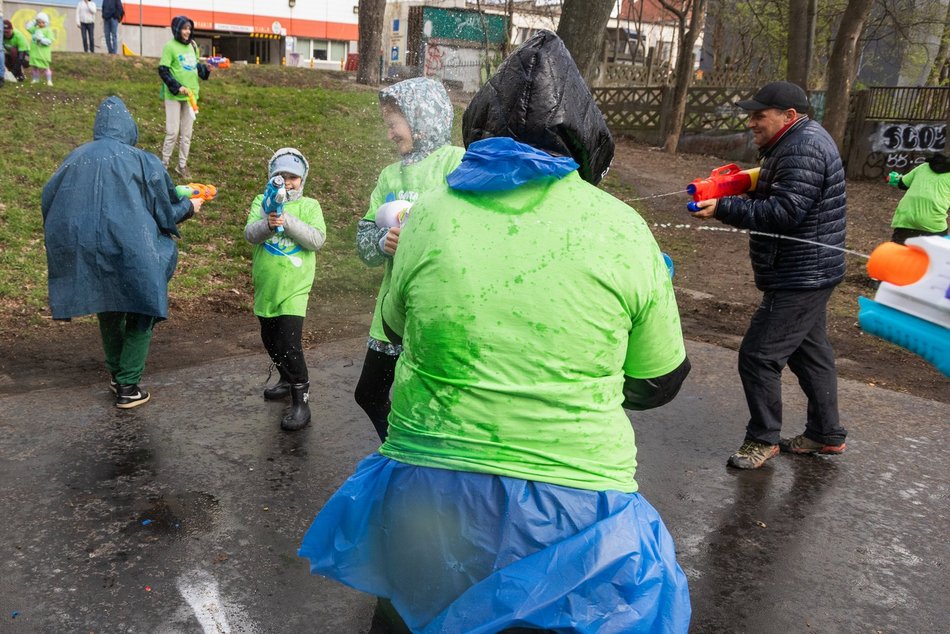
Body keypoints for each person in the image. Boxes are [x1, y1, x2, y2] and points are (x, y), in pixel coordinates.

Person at [300, 31, 692, 633]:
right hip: (577, 512)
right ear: (587, 136)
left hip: (430, 498)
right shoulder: (625, 229)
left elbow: (386, 353)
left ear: (479, 129)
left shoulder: (427, 216)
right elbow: (659, 382)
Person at [690, 80, 848, 469]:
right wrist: (736, 183)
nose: (751, 122)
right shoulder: (793, 143)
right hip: (810, 270)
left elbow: (785, 213)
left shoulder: (803, 147)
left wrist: (723, 208)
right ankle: (825, 435)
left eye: (759, 115)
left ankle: (762, 439)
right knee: (810, 355)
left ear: (788, 116)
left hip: (801, 274)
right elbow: (781, 189)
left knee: (759, 355)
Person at [41, 96, 201, 408]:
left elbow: (49, 198)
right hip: (134, 249)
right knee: (143, 308)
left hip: (88, 250)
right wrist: (191, 206)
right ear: (129, 126)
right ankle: (129, 385)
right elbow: (165, 211)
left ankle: (117, 377)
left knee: (109, 305)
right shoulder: (142, 160)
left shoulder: (75, 158)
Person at [354, 77, 464, 441]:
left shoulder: (456, 162)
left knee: (431, 398)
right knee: (369, 393)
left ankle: (426, 461)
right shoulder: (389, 175)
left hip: (438, 309)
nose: (389, 135)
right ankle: (403, 451)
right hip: (390, 311)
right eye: (387, 126)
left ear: (421, 119)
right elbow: (364, 241)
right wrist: (383, 241)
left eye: (393, 125)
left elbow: (473, 225)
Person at [244, 148, 326, 432]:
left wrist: (286, 221)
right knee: (270, 339)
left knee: (289, 344)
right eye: (281, 176)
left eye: (293, 177)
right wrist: (268, 223)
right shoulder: (261, 202)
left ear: (302, 179)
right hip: (267, 287)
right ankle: (285, 378)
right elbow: (250, 234)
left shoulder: (310, 206)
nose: (287, 182)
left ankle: (301, 401)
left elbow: (316, 239)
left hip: (295, 289)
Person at [158, 15, 209, 180]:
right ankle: (163, 165)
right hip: (174, 96)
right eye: (184, 28)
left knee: (187, 134)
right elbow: (163, 70)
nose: (187, 32)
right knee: (172, 132)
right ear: (177, 29)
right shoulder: (169, 47)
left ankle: (181, 165)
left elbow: (195, 68)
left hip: (191, 96)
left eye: (189, 28)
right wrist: (176, 87)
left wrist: (206, 70)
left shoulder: (193, 46)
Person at [888, 153, 950, 244]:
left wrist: (894, 178)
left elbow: (902, 183)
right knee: (938, 252)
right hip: (932, 221)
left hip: (907, 216)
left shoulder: (923, 167)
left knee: (898, 250)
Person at [25, 12, 55, 86]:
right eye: (39, 22)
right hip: (35, 52)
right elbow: (28, 27)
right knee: (35, 67)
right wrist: (34, 21)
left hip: (43, 53)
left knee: (46, 67)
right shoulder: (35, 29)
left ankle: (49, 80)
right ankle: (36, 79)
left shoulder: (48, 30)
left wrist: (41, 40)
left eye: (42, 22)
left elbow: (50, 41)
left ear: (46, 22)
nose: (40, 24)